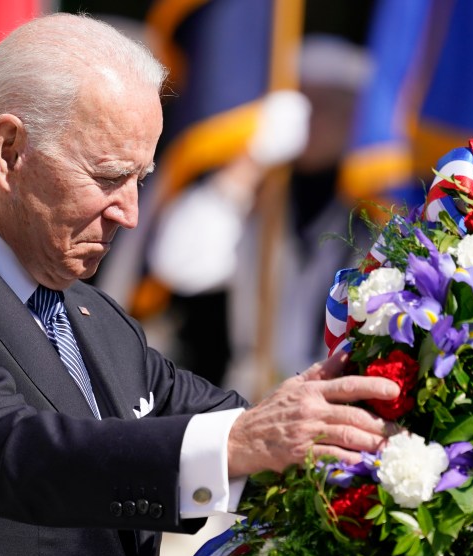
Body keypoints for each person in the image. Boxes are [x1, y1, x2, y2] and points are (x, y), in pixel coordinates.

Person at [0, 13, 399, 556]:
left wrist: (392, 420)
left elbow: (233, 426)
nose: (130, 213)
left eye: (139, 180)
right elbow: (7, 450)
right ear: (8, 150)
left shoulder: (96, 321)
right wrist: (240, 440)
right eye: (109, 177)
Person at [145, 34, 374, 401]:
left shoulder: (376, 205)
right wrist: (250, 164)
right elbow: (179, 265)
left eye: (332, 106)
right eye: (305, 102)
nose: (314, 119)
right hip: (242, 402)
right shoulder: (256, 189)